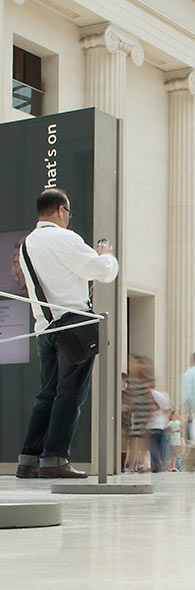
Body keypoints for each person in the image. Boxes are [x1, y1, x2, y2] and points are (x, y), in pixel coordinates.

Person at [15, 188, 119, 480]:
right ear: (61, 210)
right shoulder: (66, 239)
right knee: (70, 395)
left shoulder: (26, 245)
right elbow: (103, 272)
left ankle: (28, 459)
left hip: (44, 328)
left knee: (46, 394)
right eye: (68, 213)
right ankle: (54, 459)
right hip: (73, 327)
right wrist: (106, 255)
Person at [123, 354, 154, 473]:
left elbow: (147, 396)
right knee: (136, 440)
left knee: (138, 440)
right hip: (136, 413)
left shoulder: (142, 380)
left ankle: (138, 464)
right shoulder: (134, 380)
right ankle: (137, 464)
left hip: (140, 413)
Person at [147, 382, 171, 472]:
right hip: (159, 425)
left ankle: (157, 462)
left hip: (149, 425)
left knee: (152, 446)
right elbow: (167, 410)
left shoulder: (146, 395)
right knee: (159, 446)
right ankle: (158, 462)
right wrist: (166, 422)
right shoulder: (161, 395)